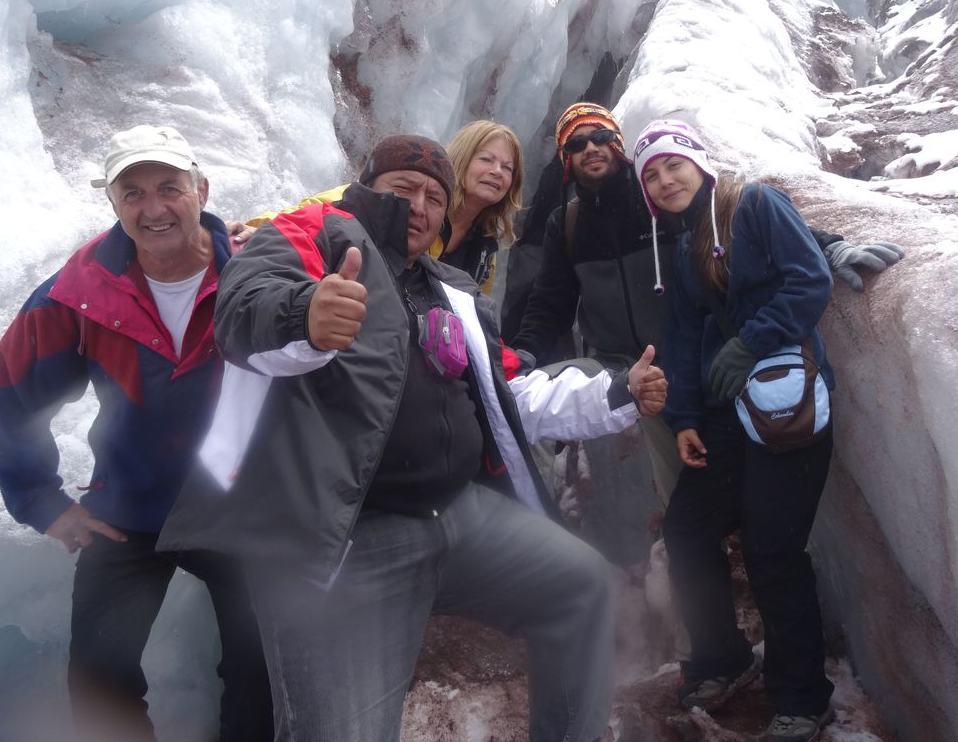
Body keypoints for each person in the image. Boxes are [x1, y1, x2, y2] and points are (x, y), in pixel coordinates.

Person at [157, 135, 668, 742]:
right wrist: (307, 316)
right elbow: (244, 311)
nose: (419, 207)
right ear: (365, 187)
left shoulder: (450, 288)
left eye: (434, 197)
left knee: (579, 585)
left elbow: (507, 392)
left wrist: (617, 392)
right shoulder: (313, 236)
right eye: (403, 189)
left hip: (457, 514)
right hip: (347, 538)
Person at [0, 125, 272, 742]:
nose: (153, 207)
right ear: (113, 204)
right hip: (131, 508)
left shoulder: (253, 271)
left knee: (260, 673)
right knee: (98, 678)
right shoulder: (79, 290)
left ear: (202, 191)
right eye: (132, 193)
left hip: (239, 508)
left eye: (169, 187)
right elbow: (12, 390)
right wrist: (41, 500)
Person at [507, 101, 903, 506]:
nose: (591, 147)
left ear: (617, 143)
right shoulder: (566, 224)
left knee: (697, 488)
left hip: (679, 364)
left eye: (601, 136)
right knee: (522, 410)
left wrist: (827, 246)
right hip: (618, 369)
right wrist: (523, 353)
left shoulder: (653, 200)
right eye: (576, 144)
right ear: (566, 159)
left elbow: (724, 216)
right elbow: (550, 302)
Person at [634, 119, 837, 742]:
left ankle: (803, 698)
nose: (665, 180)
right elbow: (683, 336)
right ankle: (723, 658)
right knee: (688, 529)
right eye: (651, 175)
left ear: (699, 163)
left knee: (773, 551)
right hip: (725, 418)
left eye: (673, 164)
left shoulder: (754, 204)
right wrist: (686, 419)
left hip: (785, 409)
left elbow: (810, 278)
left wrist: (752, 341)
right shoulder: (682, 246)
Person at [234, 119, 523, 294]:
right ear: (461, 160)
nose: (497, 172)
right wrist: (265, 228)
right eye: (486, 159)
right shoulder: (413, 200)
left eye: (507, 167)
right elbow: (333, 207)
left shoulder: (485, 248)